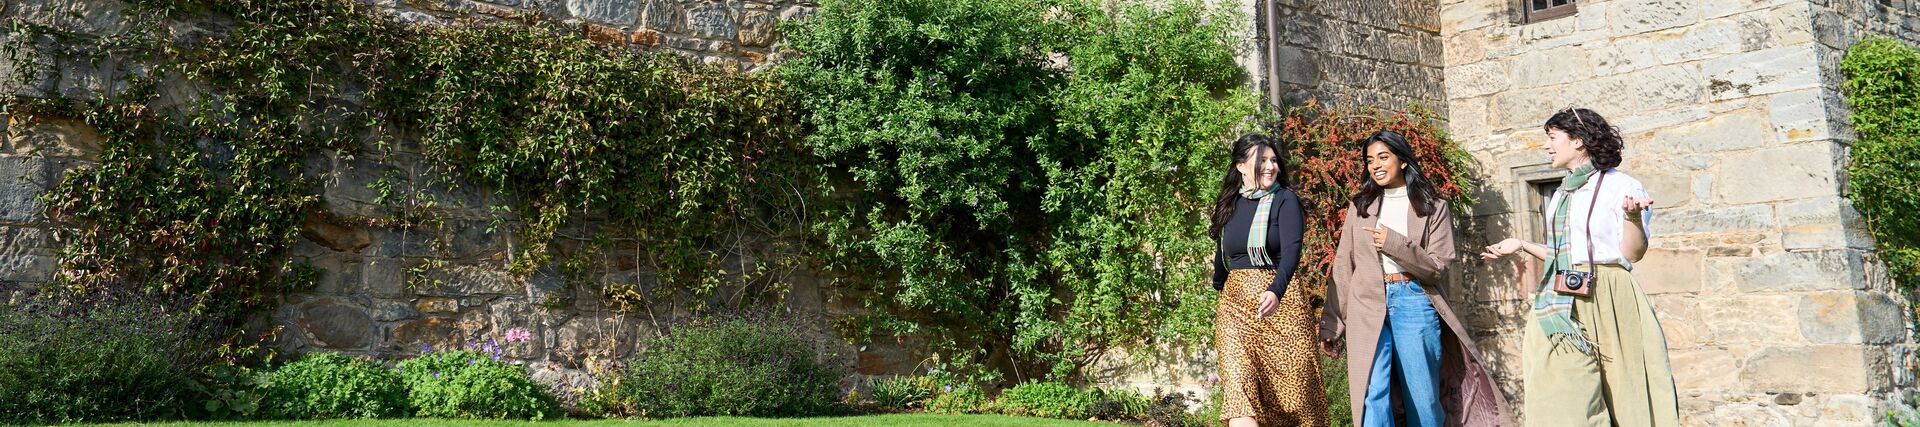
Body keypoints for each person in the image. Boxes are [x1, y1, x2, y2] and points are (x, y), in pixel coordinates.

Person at [1479, 108, 1679, 426]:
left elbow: (1632, 253)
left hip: (1608, 293)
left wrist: (1631, 218)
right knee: (1560, 390)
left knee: (1625, 391)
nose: (1547, 146)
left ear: (1578, 141)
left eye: (1552, 138)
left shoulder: (1622, 186)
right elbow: (1564, 254)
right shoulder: (1562, 192)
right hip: (1561, 296)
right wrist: (1522, 244)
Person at [1318, 130, 1510, 426]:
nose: (1375, 165)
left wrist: (1394, 243)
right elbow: (1344, 265)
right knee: (1372, 391)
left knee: (1422, 398)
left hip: (1413, 300)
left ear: (1403, 161)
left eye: (1383, 157)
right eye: (1370, 160)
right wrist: (1332, 324)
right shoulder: (1360, 207)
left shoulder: (1433, 206)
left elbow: (1437, 267)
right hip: (1365, 303)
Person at [1210, 133, 1326, 427]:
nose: (1270, 166)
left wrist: (1275, 290)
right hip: (1235, 308)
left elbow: (1291, 253)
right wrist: (1220, 287)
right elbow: (1222, 256)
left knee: (1296, 401)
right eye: (1262, 160)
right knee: (1238, 388)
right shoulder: (1229, 204)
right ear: (1240, 166)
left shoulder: (1285, 200)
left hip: (1282, 302)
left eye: (1274, 160)